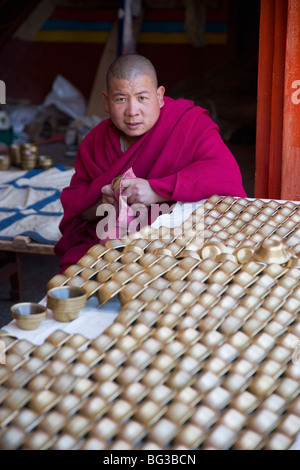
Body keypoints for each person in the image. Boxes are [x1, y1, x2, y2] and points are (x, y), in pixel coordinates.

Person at [54, 54, 247, 272]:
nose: (132, 111)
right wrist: (108, 203)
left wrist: (157, 191)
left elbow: (224, 174)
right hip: (116, 243)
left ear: (160, 96)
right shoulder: (96, 142)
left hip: (184, 241)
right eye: (121, 99)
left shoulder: (188, 124)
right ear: (106, 101)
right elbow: (79, 210)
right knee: (73, 277)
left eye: (142, 98)